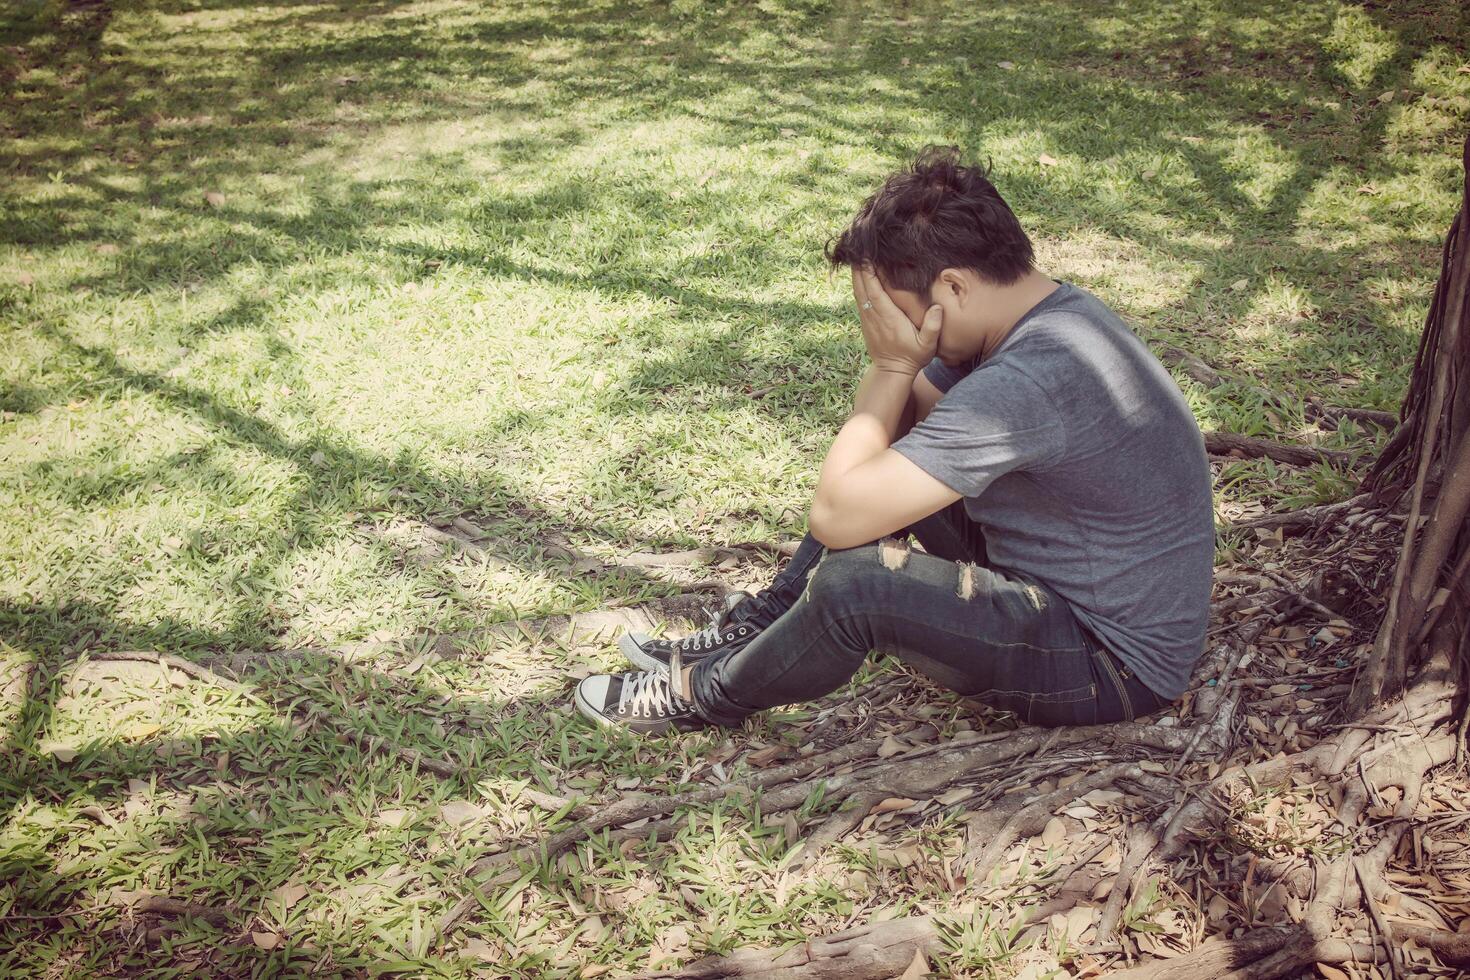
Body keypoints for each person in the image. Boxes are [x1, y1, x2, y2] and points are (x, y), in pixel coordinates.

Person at [573, 145, 1215, 735]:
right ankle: (765, 626)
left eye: (898, 312)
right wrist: (897, 375)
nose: (894, 331)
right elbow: (893, 436)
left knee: (858, 587)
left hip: (1111, 664)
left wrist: (890, 368)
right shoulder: (1039, 315)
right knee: (890, 462)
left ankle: (699, 694)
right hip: (1059, 592)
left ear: (954, 287)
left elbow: (838, 514)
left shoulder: (1032, 377)